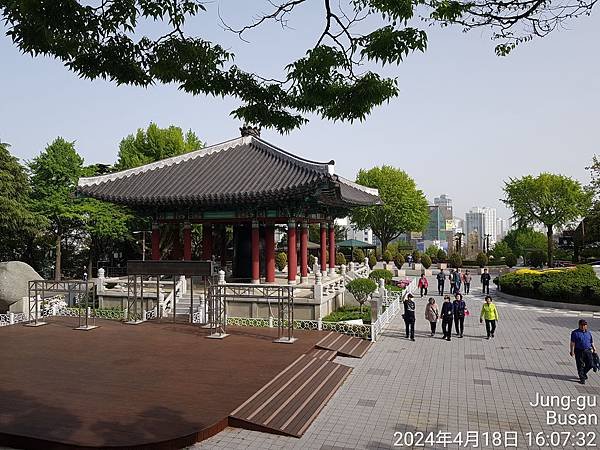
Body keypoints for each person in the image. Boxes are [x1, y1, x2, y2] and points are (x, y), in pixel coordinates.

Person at [570, 319, 597, 384]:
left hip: (588, 351)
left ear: (586, 326)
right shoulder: (575, 333)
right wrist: (572, 351)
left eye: (584, 325)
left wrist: (594, 349)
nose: (583, 326)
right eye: (582, 325)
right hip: (579, 351)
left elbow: (591, 342)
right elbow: (572, 343)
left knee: (590, 364)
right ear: (579, 325)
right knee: (580, 365)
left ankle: (583, 373)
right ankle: (582, 378)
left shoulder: (589, 333)